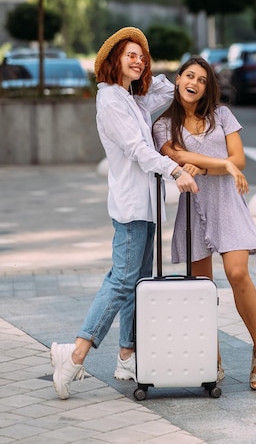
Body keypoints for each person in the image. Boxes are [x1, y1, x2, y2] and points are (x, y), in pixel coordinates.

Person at [50, 27, 198, 400]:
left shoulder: (133, 99)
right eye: (130, 55)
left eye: (142, 56)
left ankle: (126, 356)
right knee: (122, 281)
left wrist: (176, 77)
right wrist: (175, 169)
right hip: (132, 206)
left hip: (146, 205)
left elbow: (167, 91)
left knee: (135, 282)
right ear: (113, 60)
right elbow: (137, 149)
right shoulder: (112, 101)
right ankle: (75, 353)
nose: (138, 60)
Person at [153, 56, 256, 390]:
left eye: (202, 79)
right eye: (189, 76)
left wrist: (209, 168)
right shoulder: (162, 124)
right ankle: (211, 356)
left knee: (237, 273)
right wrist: (224, 165)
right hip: (193, 208)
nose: (195, 83)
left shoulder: (222, 115)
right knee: (202, 289)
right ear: (177, 80)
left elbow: (239, 159)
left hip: (227, 204)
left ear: (208, 87)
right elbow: (174, 155)